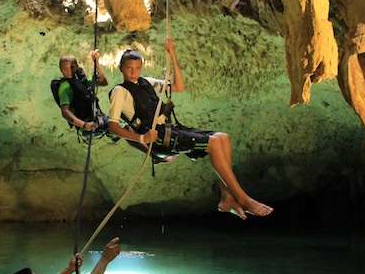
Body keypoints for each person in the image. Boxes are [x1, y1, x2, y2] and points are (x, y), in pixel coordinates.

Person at [108, 38, 274, 220]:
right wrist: (143, 138)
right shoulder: (119, 91)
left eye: (137, 68)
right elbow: (113, 127)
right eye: (129, 68)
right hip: (159, 139)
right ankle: (243, 198)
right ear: (121, 68)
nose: (133, 72)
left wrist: (173, 54)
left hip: (171, 130)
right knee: (213, 143)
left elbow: (179, 86)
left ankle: (226, 198)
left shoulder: (146, 82)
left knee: (223, 137)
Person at [54, 50, 177, 164]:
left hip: (97, 121)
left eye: (72, 67)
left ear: (77, 66)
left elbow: (103, 81)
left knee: (127, 129)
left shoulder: (82, 82)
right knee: (124, 129)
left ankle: (157, 149)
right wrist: (83, 125)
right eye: (65, 68)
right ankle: (154, 156)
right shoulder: (65, 87)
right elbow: (65, 111)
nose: (69, 70)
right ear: (60, 69)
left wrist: (96, 62)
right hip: (86, 126)